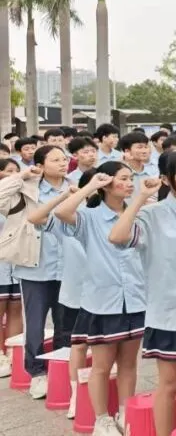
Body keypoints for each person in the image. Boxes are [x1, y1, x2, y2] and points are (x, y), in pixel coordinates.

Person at [109, 150, 176, 435]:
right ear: (166, 178)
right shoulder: (152, 215)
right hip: (171, 315)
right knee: (169, 384)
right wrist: (141, 198)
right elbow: (117, 237)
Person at [53, 163, 146, 436]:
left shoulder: (137, 215)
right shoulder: (91, 217)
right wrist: (91, 185)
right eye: (123, 179)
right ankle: (101, 418)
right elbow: (61, 212)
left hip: (136, 299)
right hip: (103, 301)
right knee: (102, 367)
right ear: (107, 184)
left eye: (131, 179)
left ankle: (126, 412)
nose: (129, 184)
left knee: (129, 364)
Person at [2, 144, 74, 400]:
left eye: (64, 159)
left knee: (66, 324)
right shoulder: (28, 188)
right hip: (35, 267)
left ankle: (62, 369)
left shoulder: (75, 186)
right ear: (41, 165)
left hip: (70, 267)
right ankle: (36, 372)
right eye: (55, 160)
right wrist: (20, 175)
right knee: (35, 324)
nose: (63, 163)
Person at [0, 158, 23, 379]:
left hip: (16, 262)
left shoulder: (23, 197)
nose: (15, 175)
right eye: (9, 171)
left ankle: (13, 351)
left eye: (17, 171)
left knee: (16, 308)